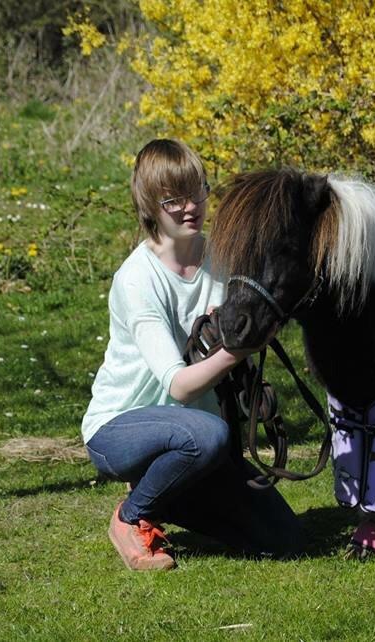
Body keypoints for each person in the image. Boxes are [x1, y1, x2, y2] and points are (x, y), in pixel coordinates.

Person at [81, 139, 304, 571]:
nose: (190, 207)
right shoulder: (138, 280)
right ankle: (131, 518)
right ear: (149, 206)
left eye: (197, 191)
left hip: (199, 437)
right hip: (120, 427)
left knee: (285, 539)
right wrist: (240, 349)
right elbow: (180, 386)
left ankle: (165, 496)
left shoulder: (221, 256)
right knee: (206, 436)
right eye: (173, 200)